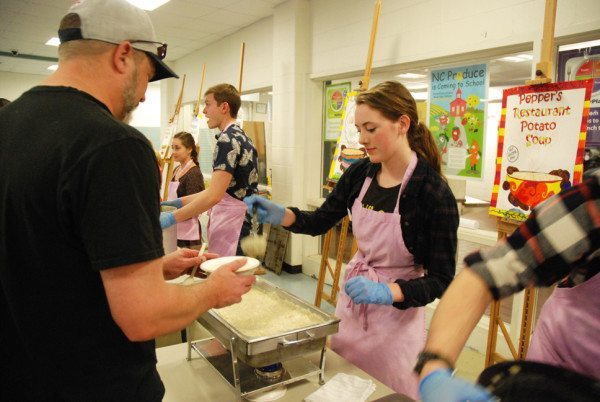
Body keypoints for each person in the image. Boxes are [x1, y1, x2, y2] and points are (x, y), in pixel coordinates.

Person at [0, 1, 255, 400]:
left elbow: (49, 255)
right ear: (123, 55)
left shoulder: (9, 123)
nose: (140, 96)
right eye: (148, 76)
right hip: (93, 382)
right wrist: (213, 291)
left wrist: (151, 266)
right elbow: (142, 316)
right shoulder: (113, 144)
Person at [244, 81, 459, 398]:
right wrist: (284, 215)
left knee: (385, 393)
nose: (361, 139)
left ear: (402, 124)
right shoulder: (361, 174)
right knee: (340, 380)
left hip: (395, 321)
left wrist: (388, 292)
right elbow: (320, 221)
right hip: (354, 308)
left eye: (370, 129)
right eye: (358, 129)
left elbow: (441, 278)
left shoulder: (432, 193)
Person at [416, 170, 600, 402]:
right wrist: (434, 368)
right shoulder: (592, 205)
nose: (363, 139)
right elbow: (483, 277)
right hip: (558, 379)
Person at [161, 84, 259, 257]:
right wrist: (177, 203)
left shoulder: (226, 140)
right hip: (243, 222)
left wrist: (172, 218)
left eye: (207, 104)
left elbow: (214, 196)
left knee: (226, 278)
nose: (204, 111)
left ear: (224, 107)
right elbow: (219, 191)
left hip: (233, 225)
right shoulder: (243, 137)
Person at [167, 131, 205, 249]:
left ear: (189, 149)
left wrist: (171, 216)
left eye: (177, 148)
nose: (173, 152)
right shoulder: (177, 170)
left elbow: (195, 207)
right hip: (176, 226)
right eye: (172, 148)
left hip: (188, 233)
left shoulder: (193, 173)